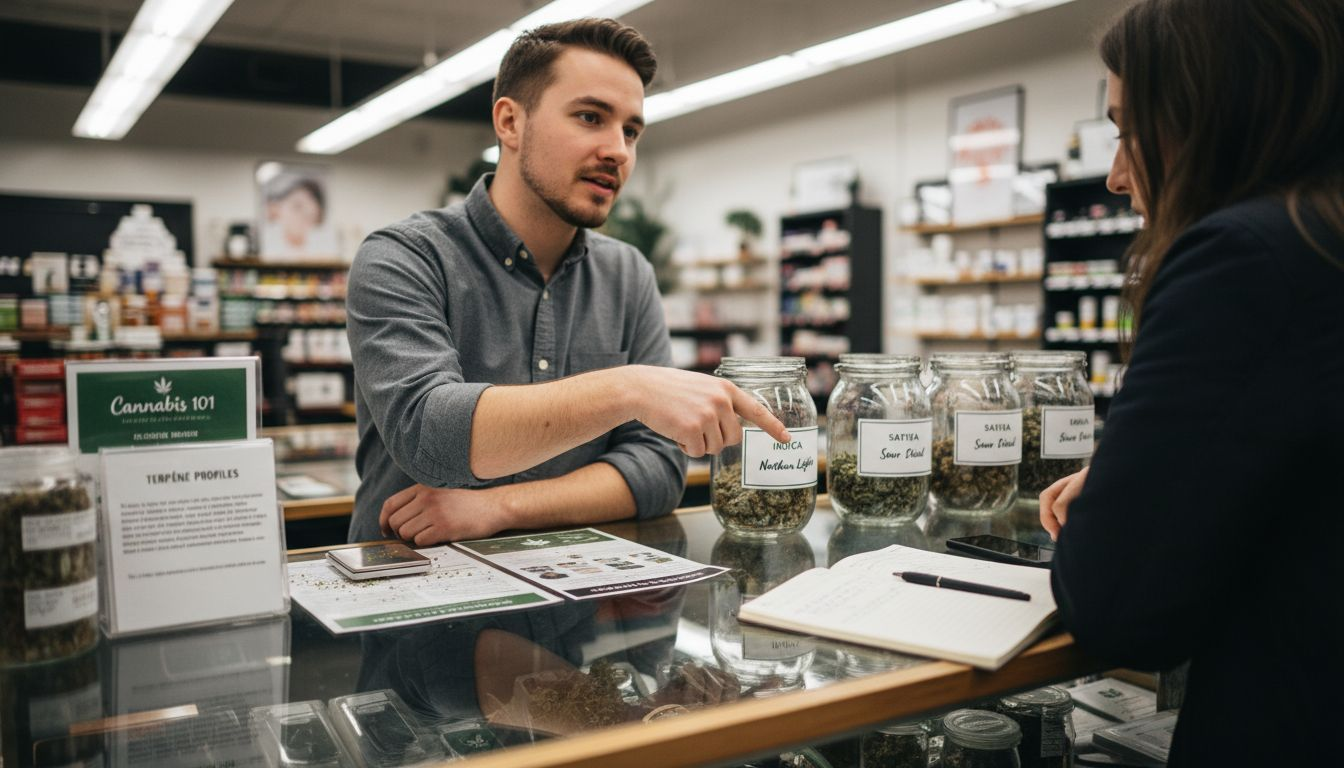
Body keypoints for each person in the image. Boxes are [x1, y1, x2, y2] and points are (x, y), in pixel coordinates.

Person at [345, 18, 788, 546]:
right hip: (413, 600)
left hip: (577, 609)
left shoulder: (628, 274)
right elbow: (428, 432)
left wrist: (500, 507)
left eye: (630, 131)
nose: (619, 150)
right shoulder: (404, 256)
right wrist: (629, 388)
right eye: (590, 117)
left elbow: (655, 469)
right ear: (510, 122)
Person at [1039, 0, 1344, 764]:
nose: (1114, 176)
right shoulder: (1324, 234)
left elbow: (1116, 608)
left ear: (1214, 113)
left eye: (1126, 130)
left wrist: (1120, 495)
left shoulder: (1244, 258)